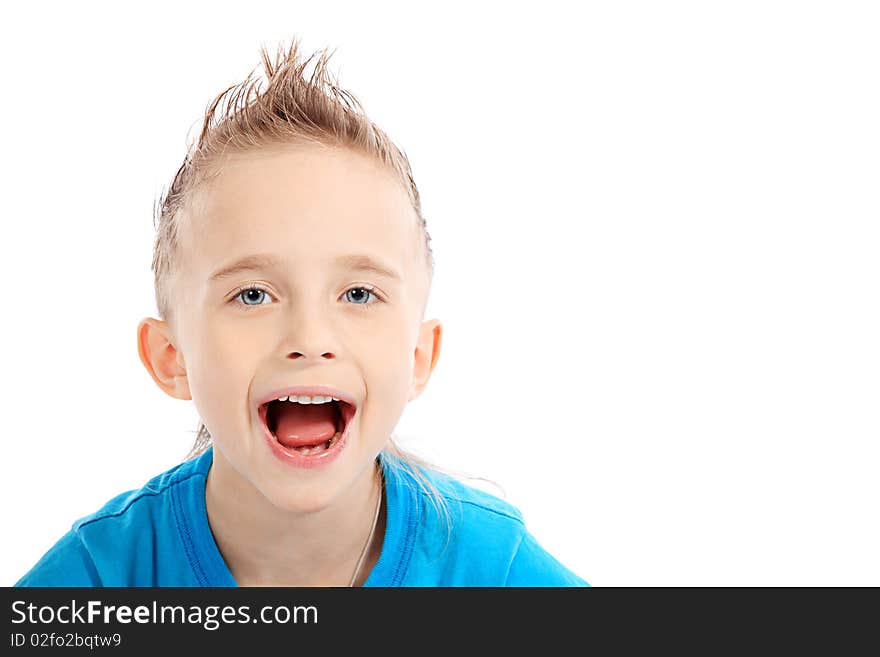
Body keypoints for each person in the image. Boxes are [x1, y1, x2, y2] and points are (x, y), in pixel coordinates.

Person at [15, 37, 588, 587]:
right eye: (253, 295)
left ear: (419, 357)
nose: (310, 339)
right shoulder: (104, 576)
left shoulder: (491, 568)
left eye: (358, 294)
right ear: (172, 358)